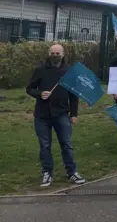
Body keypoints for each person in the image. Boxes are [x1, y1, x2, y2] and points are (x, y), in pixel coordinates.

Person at [26, 44, 86, 187]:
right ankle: (47, 173)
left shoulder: (69, 71)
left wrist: (74, 114)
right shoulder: (40, 70)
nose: (55, 55)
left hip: (62, 114)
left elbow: (74, 95)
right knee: (45, 146)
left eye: (58, 53)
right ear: (49, 54)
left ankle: (71, 172)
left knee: (66, 144)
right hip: (42, 115)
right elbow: (29, 89)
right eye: (53, 53)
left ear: (63, 54)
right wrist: (40, 93)